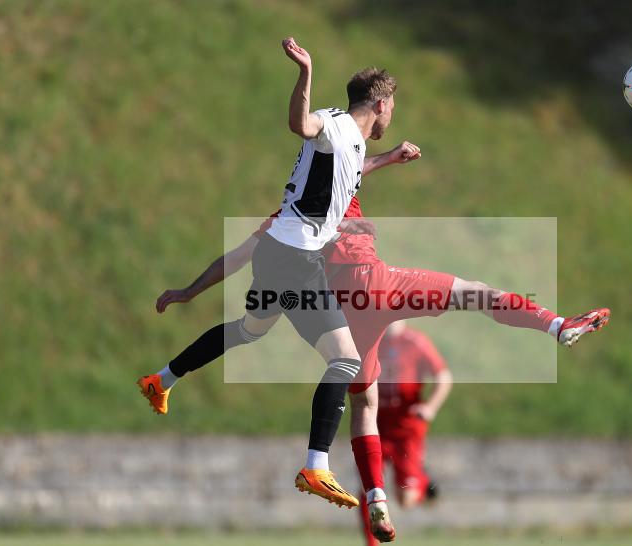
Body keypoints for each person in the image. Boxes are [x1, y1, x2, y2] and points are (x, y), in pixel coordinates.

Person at [153, 194, 610, 544]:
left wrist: (192, 291)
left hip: (338, 306)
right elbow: (351, 152)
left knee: (361, 399)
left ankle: (376, 497)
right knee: (476, 293)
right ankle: (554, 324)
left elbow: (240, 256)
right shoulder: (341, 179)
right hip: (382, 286)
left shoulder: (288, 213)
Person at [137, 37, 420, 511]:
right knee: (346, 360)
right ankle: (316, 466)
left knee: (249, 331)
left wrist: (387, 160)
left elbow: (349, 169)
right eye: (393, 107)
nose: (392, 116)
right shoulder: (332, 124)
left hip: (278, 255)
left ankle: (161, 380)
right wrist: (304, 72)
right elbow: (300, 124)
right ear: (382, 103)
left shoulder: (347, 142)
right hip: (295, 261)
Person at [359, 321, 453, 546]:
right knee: (368, 487)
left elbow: (444, 376)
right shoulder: (371, 340)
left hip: (407, 428)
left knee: (407, 500)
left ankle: (422, 482)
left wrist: (430, 407)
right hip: (378, 425)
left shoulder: (415, 341)